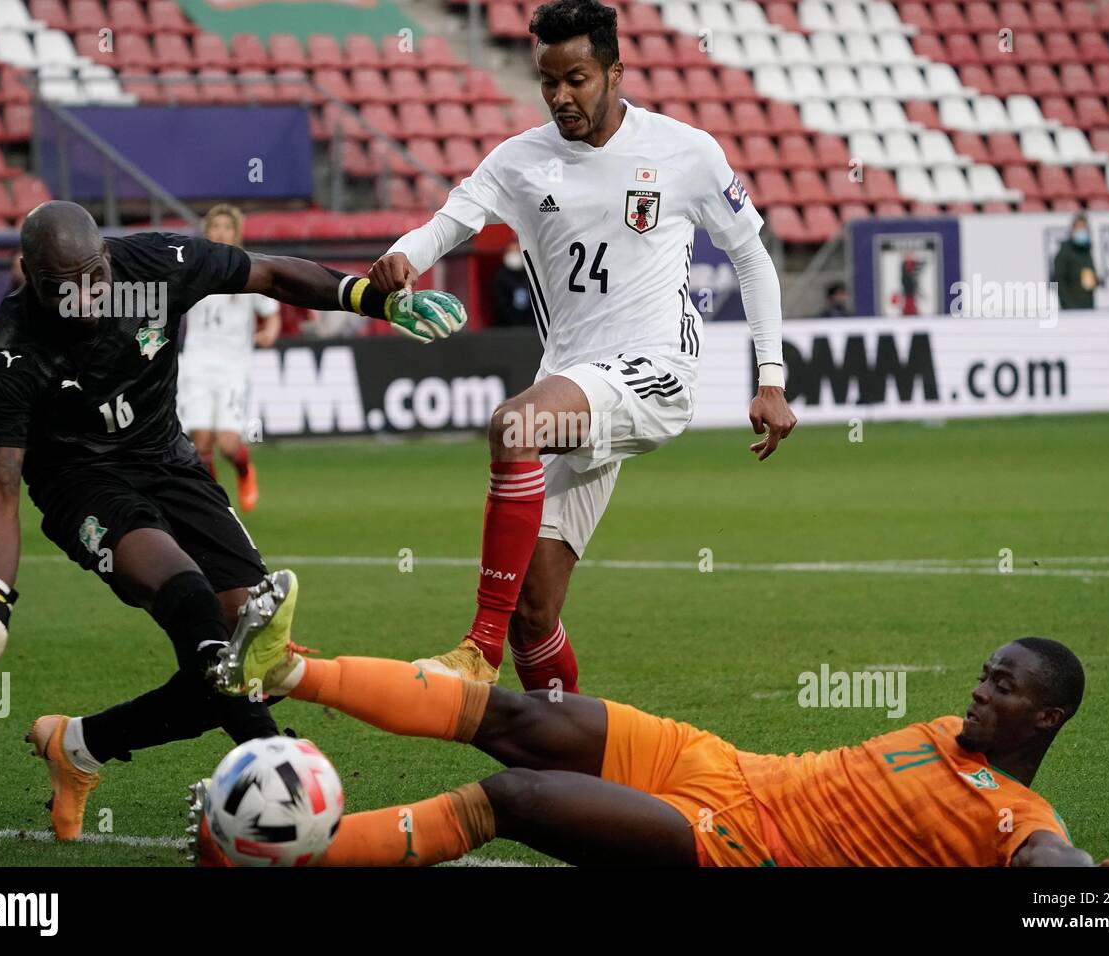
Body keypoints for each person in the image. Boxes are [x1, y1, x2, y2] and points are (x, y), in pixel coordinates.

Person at [0, 200, 466, 840]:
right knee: (188, 598)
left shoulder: (158, 264)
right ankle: (283, 781)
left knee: (255, 653)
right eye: (63, 287)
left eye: (96, 276)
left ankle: (80, 745)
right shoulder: (11, 355)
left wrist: (372, 301)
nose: (87, 297)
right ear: (29, 277)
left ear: (108, 255)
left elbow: (270, 274)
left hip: (167, 460)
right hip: (81, 484)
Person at [367, 0, 796, 692]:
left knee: (514, 425)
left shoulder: (685, 151)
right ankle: (565, 744)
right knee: (533, 613)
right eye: (548, 81)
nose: (561, 96)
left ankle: (476, 652)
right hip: (573, 382)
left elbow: (751, 257)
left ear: (615, 73)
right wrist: (403, 256)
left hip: (655, 371)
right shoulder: (521, 160)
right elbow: (452, 221)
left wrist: (770, 377)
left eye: (577, 79)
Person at [195, 612, 1108, 868]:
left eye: (1003, 687)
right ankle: (284, 672)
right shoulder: (950, 734)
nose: (978, 691)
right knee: (522, 716)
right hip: (722, 765)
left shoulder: (1021, 822)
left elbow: (1054, 864)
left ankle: (282, 854)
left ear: (1048, 718)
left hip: (740, 845)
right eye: (985, 674)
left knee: (512, 799)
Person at [177, 204, 281, 512]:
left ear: (237, 234)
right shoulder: (192, 270)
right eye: (215, 227)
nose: (221, 233)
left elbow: (271, 313)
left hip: (233, 368)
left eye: (227, 228)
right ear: (207, 232)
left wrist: (269, 332)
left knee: (228, 445)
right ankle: (215, 503)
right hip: (196, 365)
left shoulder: (249, 270)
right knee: (200, 443)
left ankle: (245, 472)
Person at [1052, 214, 1099, 310]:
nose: (1082, 231)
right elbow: (1059, 282)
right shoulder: (1064, 251)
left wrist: (1095, 280)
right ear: (1072, 229)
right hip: (1072, 309)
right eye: (1079, 228)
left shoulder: (1086, 250)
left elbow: (1089, 277)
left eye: (1084, 228)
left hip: (1088, 306)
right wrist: (1069, 306)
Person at [490, 240, 534, 327]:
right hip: (506, 327)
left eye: (517, 251)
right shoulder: (500, 277)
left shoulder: (531, 275)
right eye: (511, 251)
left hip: (531, 327)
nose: (514, 255)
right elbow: (500, 305)